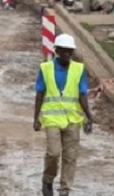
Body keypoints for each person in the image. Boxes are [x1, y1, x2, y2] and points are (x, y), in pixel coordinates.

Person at [34, 34, 93, 196]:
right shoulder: (45, 68)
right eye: (64, 51)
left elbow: (82, 95)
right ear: (57, 51)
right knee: (53, 153)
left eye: (70, 51)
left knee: (70, 156)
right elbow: (39, 93)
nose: (67, 54)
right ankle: (48, 179)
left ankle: (65, 190)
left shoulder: (79, 69)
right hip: (52, 118)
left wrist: (89, 116)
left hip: (72, 119)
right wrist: (36, 118)